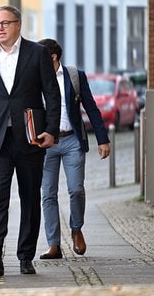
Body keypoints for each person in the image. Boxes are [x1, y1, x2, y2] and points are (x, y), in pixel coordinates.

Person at [0, 5, 61, 276]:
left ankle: (25, 255)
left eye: (5, 23)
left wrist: (51, 130)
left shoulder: (37, 53)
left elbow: (52, 94)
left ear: (18, 24)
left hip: (31, 138)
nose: (0, 28)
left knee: (30, 197)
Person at [37, 38, 111, 259]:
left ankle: (76, 229)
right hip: (46, 144)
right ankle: (54, 244)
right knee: (47, 194)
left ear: (53, 57)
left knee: (76, 189)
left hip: (71, 141)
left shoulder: (74, 76)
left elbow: (91, 107)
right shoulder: (34, 78)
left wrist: (102, 139)